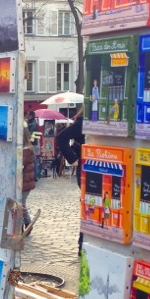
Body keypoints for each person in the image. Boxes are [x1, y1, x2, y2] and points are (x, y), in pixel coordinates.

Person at [56, 108, 85, 255]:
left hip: (90, 168)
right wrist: (73, 159)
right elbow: (61, 138)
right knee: (88, 207)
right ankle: (82, 243)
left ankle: (83, 243)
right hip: (86, 168)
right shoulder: (84, 122)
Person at [22, 126, 36, 232]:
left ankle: (27, 224)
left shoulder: (26, 150)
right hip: (25, 182)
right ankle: (25, 224)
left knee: (21, 204)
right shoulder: (26, 148)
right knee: (20, 203)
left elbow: (21, 165)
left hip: (25, 183)